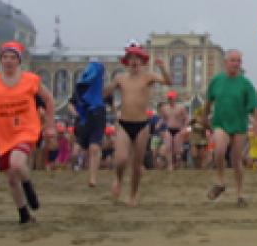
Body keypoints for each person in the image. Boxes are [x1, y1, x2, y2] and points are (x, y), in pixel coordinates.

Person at [0, 42, 56, 223]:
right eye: (5, 57)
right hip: (2, 134)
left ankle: (28, 185)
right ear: (0, 60)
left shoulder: (31, 79)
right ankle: (24, 214)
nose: (8, 61)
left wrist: (49, 124)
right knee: (10, 178)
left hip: (26, 129)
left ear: (19, 61)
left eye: (12, 57)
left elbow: (49, 99)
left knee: (16, 164)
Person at [103, 41, 172, 206]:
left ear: (142, 61)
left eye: (137, 58)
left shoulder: (148, 77)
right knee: (120, 159)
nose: (134, 62)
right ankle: (118, 180)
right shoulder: (120, 78)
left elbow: (167, 82)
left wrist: (162, 67)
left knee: (136, 164)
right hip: (124, 123)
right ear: (127, 62)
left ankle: (133, 195)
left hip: (142, 124)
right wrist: (105, 88)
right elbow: (106, 93)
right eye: (131, 58)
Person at [201, 50, 257, 207]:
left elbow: (254, 107)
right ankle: (220, 182)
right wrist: (204, 117)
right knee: (219, 150)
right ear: (225, 62)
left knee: (236, 161)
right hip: (220, 123)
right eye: (233, 60)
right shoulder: (216, 81)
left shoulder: (245, 84)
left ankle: (240, 194)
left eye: (238, 61)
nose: (236, 64)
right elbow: (208, 102)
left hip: (239, 126)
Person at [71, 62, 107, 186]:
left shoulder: (103, 90)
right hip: (83, 121)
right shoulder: (80, 89)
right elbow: (71, 103)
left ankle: (92, 178)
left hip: (98, 117)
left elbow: (111, 103)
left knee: (94, 147)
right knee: (76, 151)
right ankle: (76, 169)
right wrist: (76, 114)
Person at [160, 90, 188, 171]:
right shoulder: (165, 108)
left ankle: (178, 162)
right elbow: (163, 118)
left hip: (178, 129)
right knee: (168, 147)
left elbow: (186, 118)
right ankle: (170, 165)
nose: (170, 99)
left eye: (171, 98)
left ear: (175, 98)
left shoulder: (181, 107)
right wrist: (158, 124)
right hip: (169, 129)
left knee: (177, 149)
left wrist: (185, 128)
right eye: (169, 98)